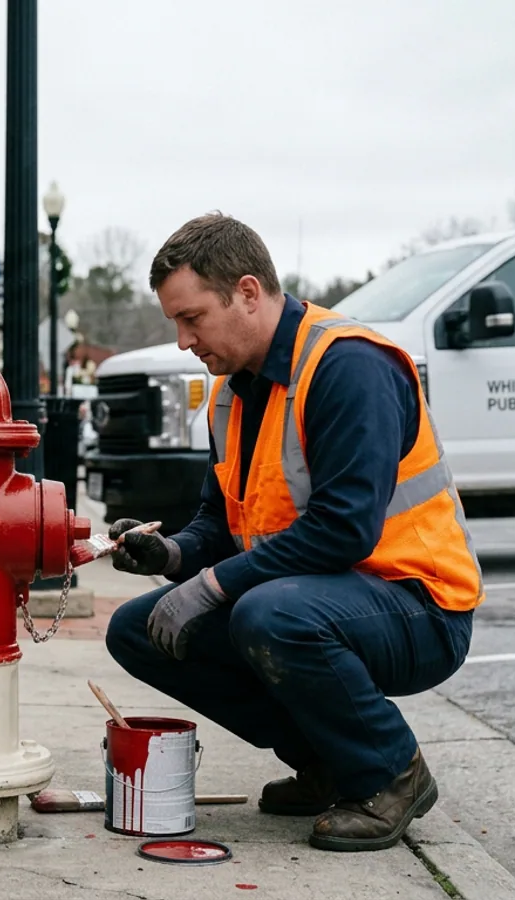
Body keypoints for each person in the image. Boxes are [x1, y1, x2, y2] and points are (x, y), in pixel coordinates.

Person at [103, 213, 483, 853]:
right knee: (136, 631)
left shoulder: (347, 367)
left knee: (267, 613)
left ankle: (391, 772)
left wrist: (213, 585)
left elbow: (344, 530)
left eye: (191, 318)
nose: (181, 340)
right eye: (175, 321)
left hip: (420, 605)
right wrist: (172, 556)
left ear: (247, 293)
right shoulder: (233, 395)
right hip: (321, 599)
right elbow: (223, 524)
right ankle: (326, 761)